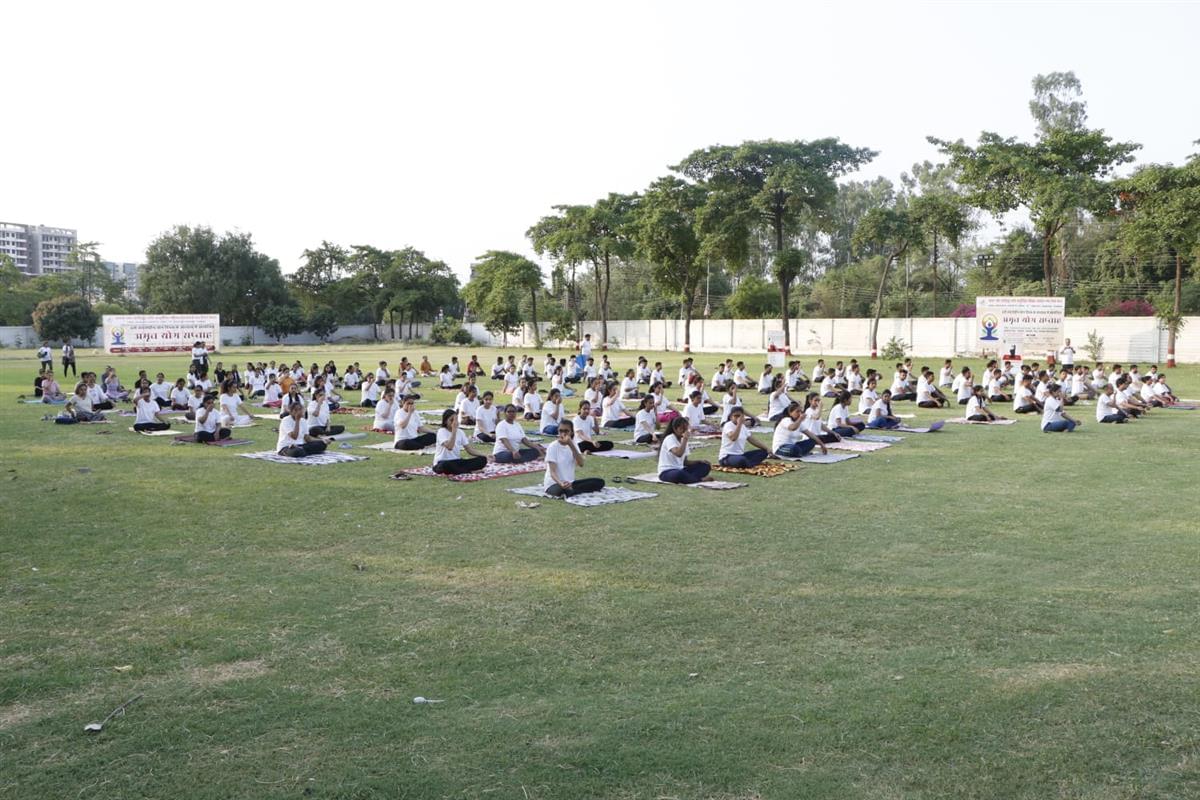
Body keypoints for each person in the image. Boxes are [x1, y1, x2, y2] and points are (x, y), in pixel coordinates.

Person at [541, 420, 606, 497]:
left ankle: (573, 489)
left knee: (599, 482)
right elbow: (552, 472)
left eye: (566, 431)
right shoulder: (553, 446)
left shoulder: (574, 444)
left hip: (570, 483)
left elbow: (581, 463)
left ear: (571, 432)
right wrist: (561, 483)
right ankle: (573, 490)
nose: (563, 434)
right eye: (560, 431)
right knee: (567, 491)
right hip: (554, 484)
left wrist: (570, 444)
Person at [431, 409, 489, 475]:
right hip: (442, 462)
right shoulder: (441, 431)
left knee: (482, 460)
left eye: (456, 420)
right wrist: (454, 431)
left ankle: (462, 470)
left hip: (456, 461)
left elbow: (469, 450)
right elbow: (450, 447)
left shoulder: (460, 432)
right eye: (451, 420)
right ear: (445, 421)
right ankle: (469, 471)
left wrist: (485, 455)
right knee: (446, 465)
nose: (454, 422)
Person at [656, 418, 713, 484]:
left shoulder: (683, 440)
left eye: (686, 429)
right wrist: (685, 439)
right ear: (675, 429)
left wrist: (699, 461)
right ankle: (698, 480)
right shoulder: (670, 438)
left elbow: (685, 462)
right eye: (682, 429)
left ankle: (689, 478)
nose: (684, 431)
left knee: (705, 465)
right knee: (679, 474)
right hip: (667, 472)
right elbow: (678, 453)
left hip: (681, 469)